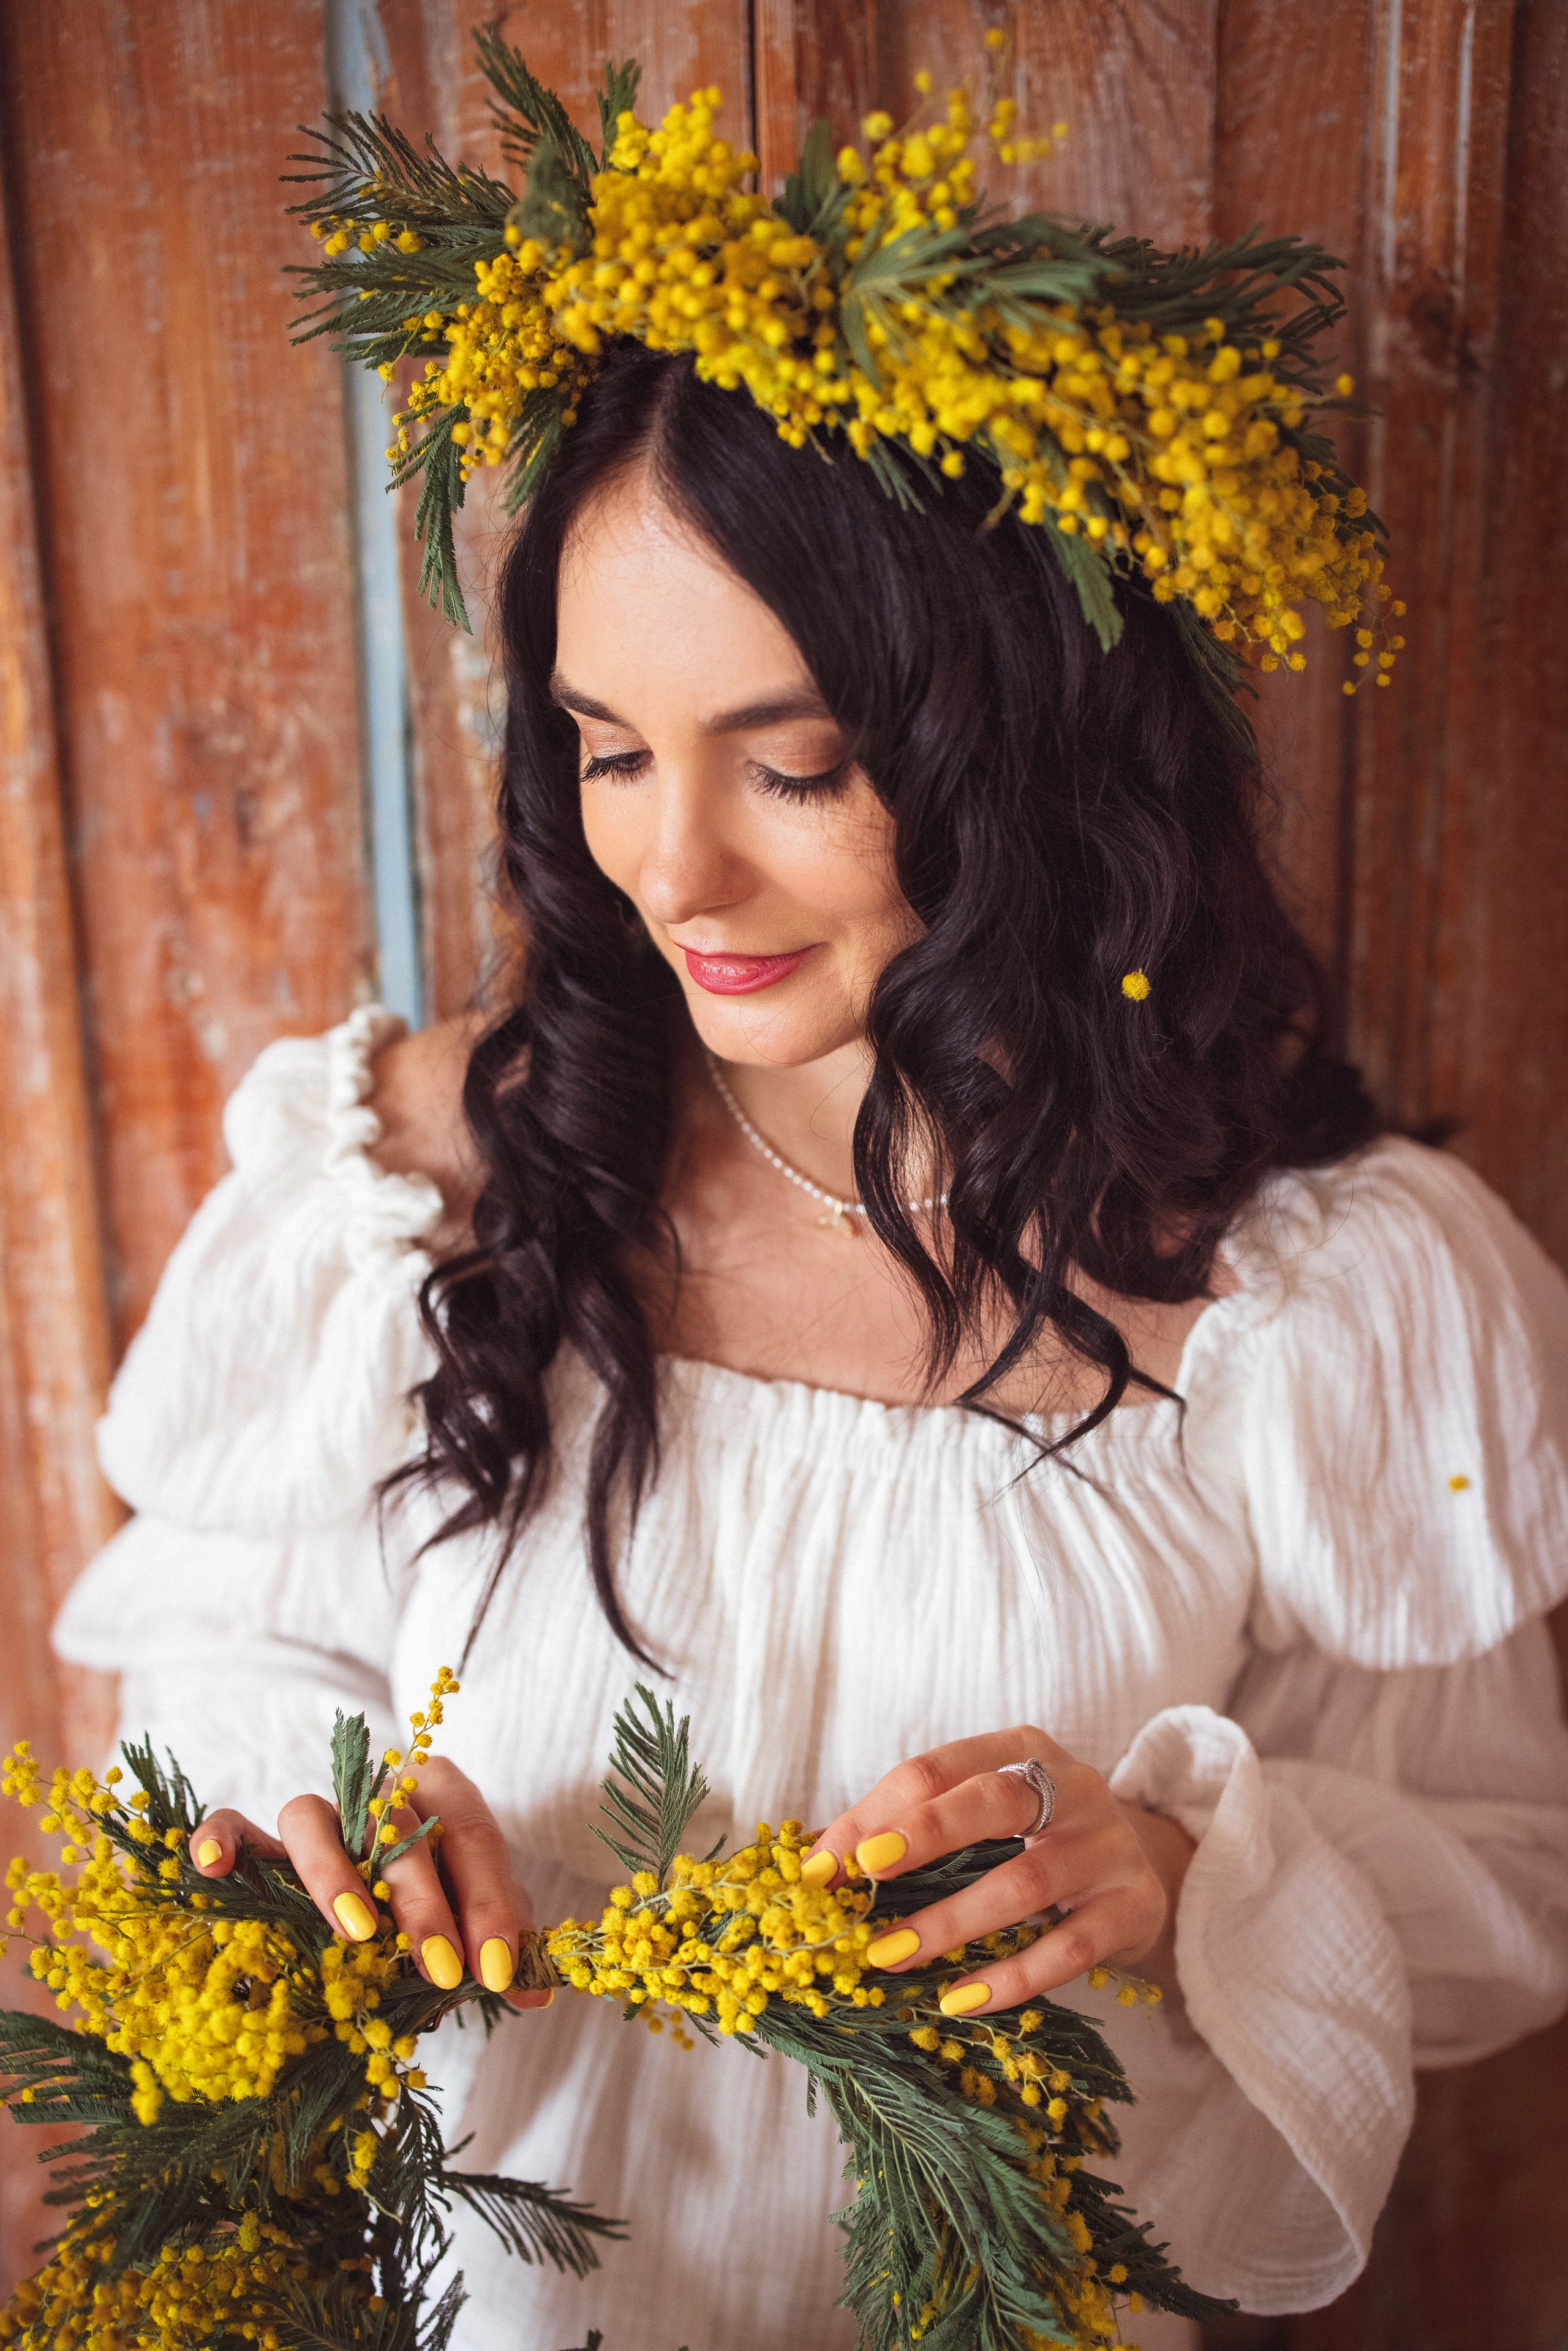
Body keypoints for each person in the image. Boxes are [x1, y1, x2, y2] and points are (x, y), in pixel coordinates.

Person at [56, 334, 1568, 2349]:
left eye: (797, 765)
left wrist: (1190, 1861)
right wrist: (326, 1838)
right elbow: (221, 1660)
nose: (674, 870)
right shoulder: (423, 1183)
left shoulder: (1309, 1295)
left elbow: (1502, 1874)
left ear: (1026, 744)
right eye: (610, 748)